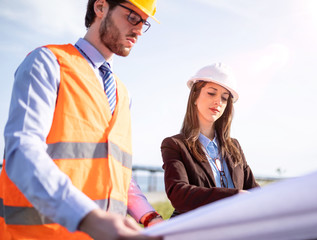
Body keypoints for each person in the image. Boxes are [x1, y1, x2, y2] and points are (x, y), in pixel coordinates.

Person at [0, 0, 163, 239]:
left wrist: (148, 217)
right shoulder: (48, 62)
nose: (139, 30)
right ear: (100, 8)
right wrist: (89, 218)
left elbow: (118, 170)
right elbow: (22, 153)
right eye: (132, 17)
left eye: (144, 23)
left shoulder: (122, 93)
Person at [161, 63, 260, 217]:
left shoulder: (234, 146)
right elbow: (178, 194)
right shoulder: (174, 145)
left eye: (224, 98)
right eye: (211, 93)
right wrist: (233, 196)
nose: (218, 102)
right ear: (195, 96)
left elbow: (254, 192)